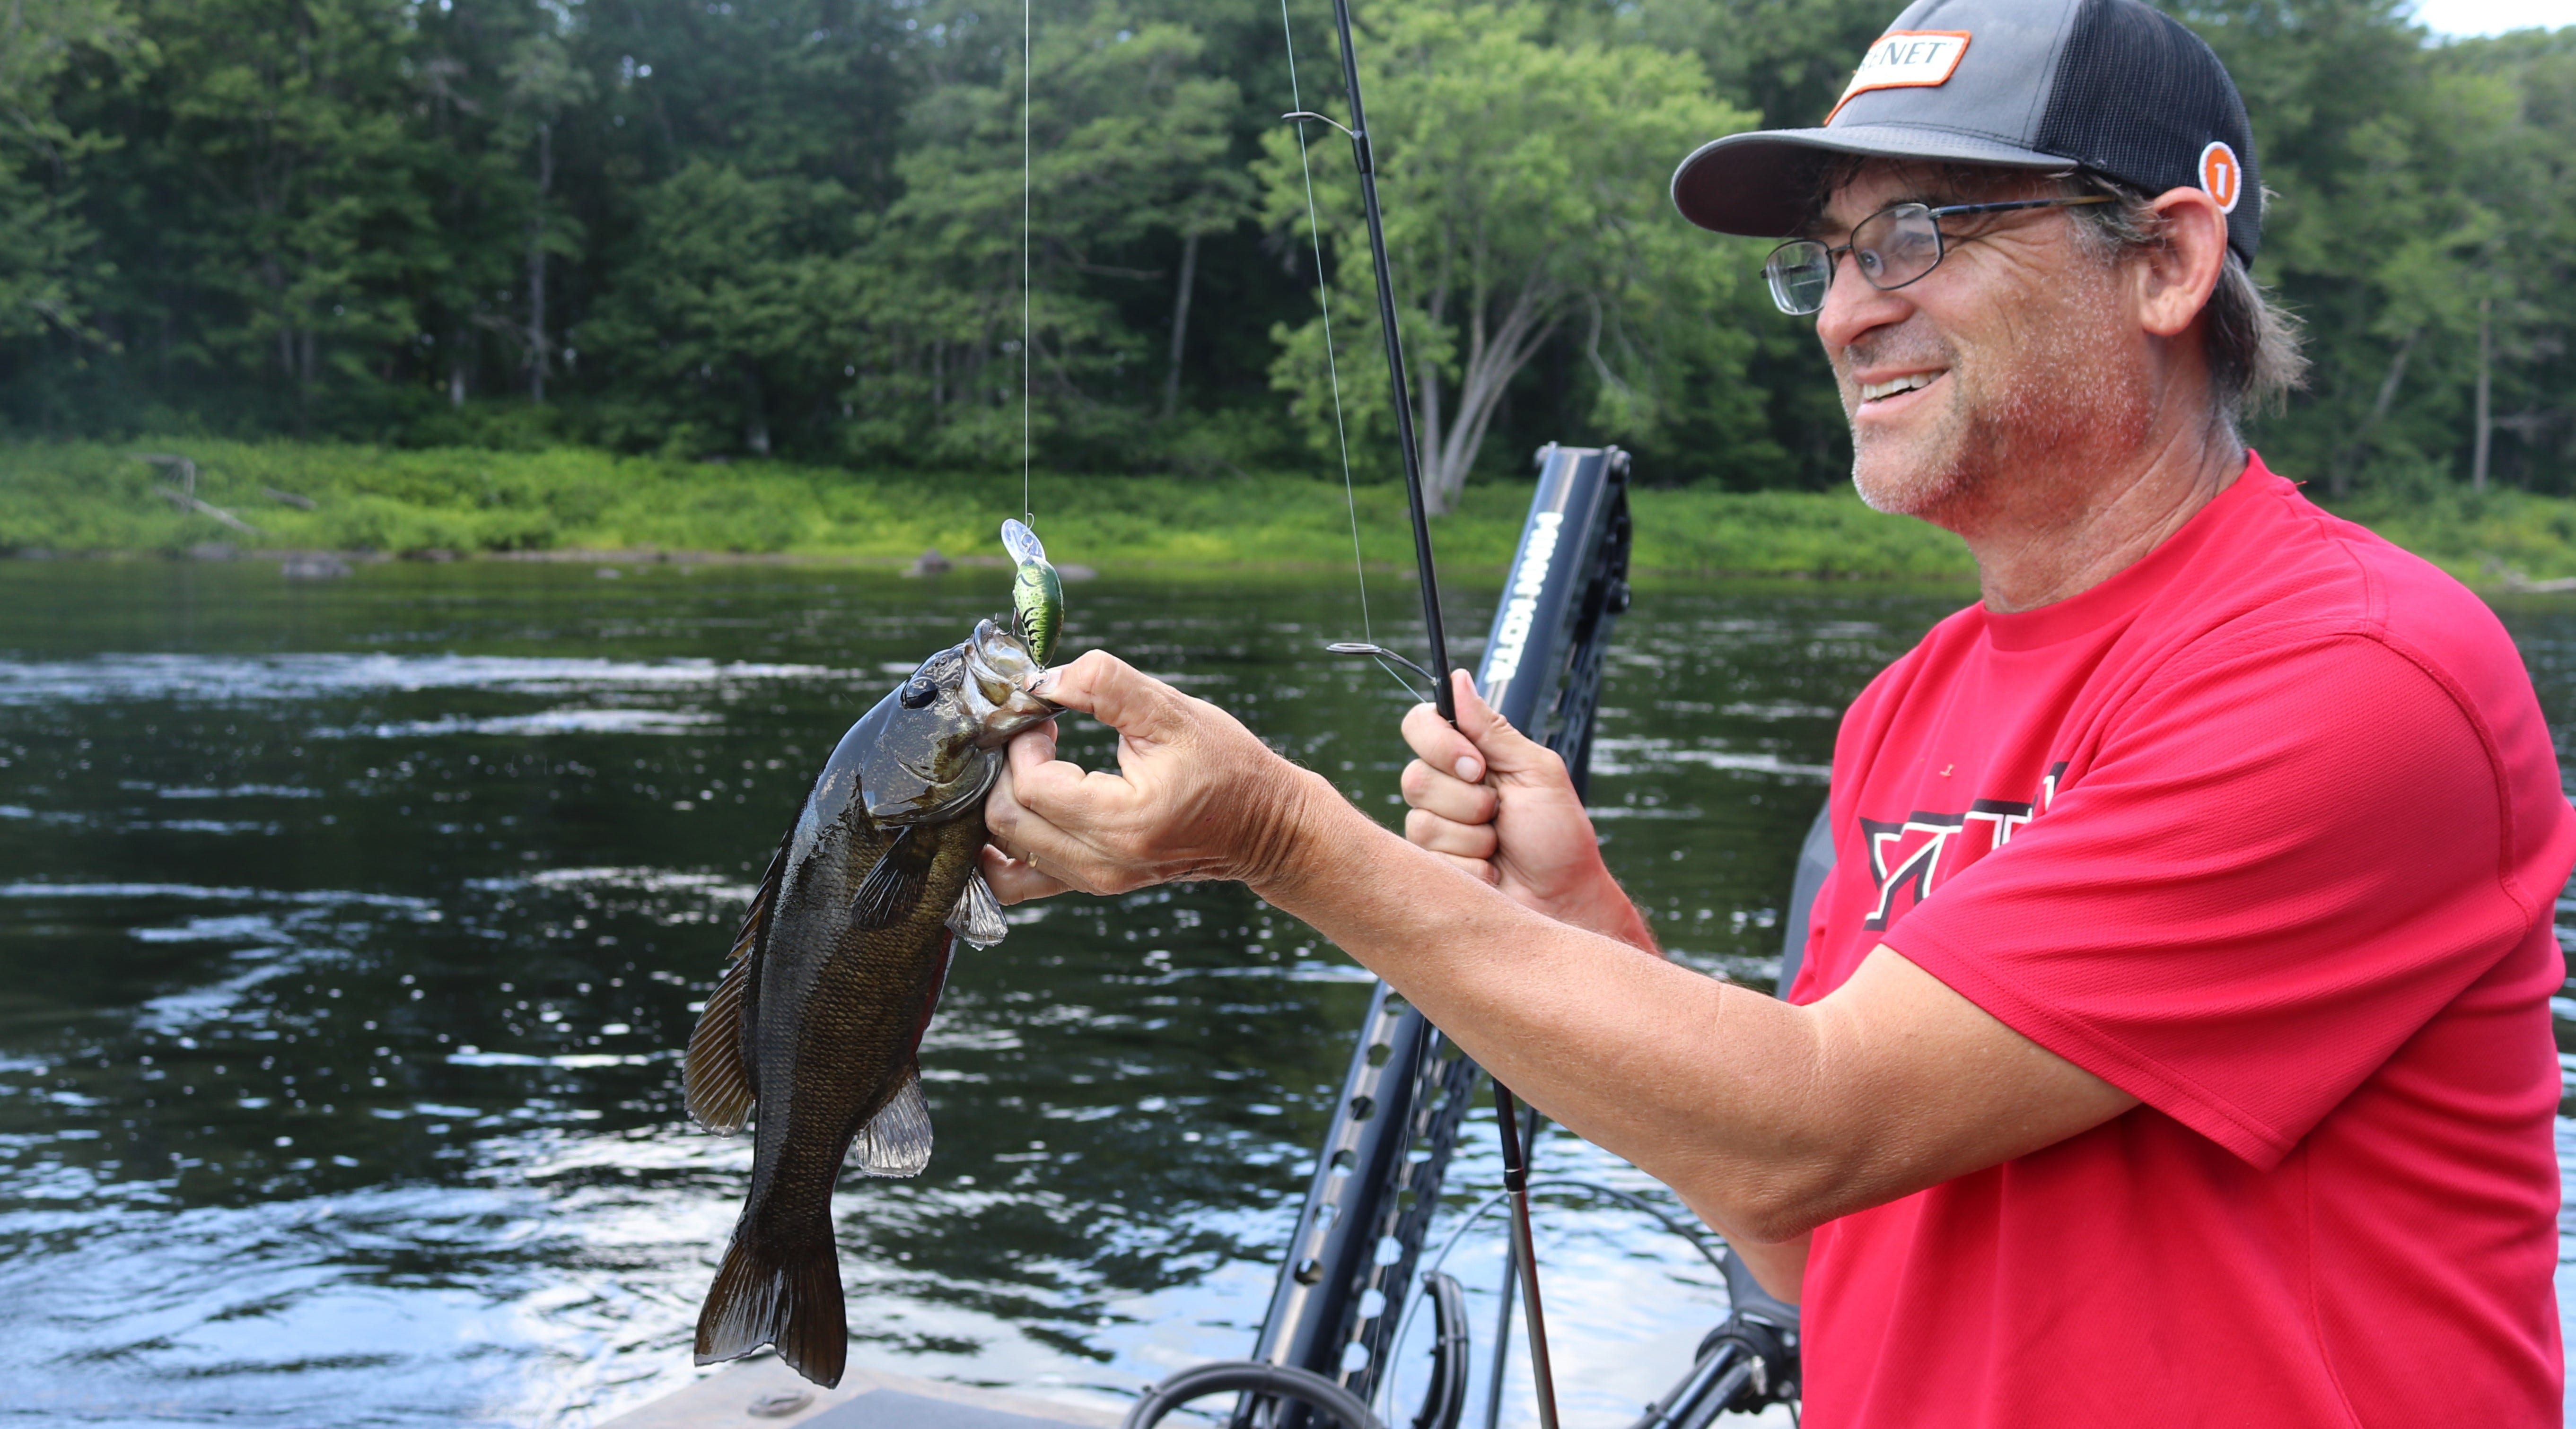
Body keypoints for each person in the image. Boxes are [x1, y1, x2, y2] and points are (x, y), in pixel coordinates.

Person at [979, 0, 2576, 1421]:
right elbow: (1825, 1236)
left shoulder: (2357, 677)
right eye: (1827, 260)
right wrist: (1581, 921)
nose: (1843, 315)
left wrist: (1278, 835)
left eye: (1917, 237)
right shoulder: (1906, 710)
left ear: (2166, 260)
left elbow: (1813, 1126)